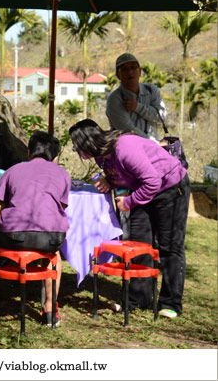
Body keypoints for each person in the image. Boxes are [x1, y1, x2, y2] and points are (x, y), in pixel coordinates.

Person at [69, 119, 190, 319]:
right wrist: (108, 181)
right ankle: (139, 299)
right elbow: (122, 176)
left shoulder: (125, 147)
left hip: (169, 187)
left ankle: (171, 303)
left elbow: (152, 181)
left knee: (170, 246)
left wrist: (130, 201)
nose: (76, 151)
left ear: (87, 143)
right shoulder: (102, 157)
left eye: (76, 147)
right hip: (143, 191)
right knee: (138, 244)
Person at [0, 131, 70, 327]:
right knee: (54, 253)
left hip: (14, 235)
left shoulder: (12, 171)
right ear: (55, 157)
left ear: (29, 152)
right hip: (53, 236)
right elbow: (59, 209)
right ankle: (49, 310)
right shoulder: (63, 174)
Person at [106, 53, 167, 140]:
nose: (130, 72)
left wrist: (138, 107)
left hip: (152, 149)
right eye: (125, 69)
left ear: (139, 71)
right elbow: (128, 131)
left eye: (133, 67)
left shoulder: (151, 90)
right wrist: (155, 145)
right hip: (127, 151)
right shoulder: (114, 99)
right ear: (118, 75)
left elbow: (162, 116)